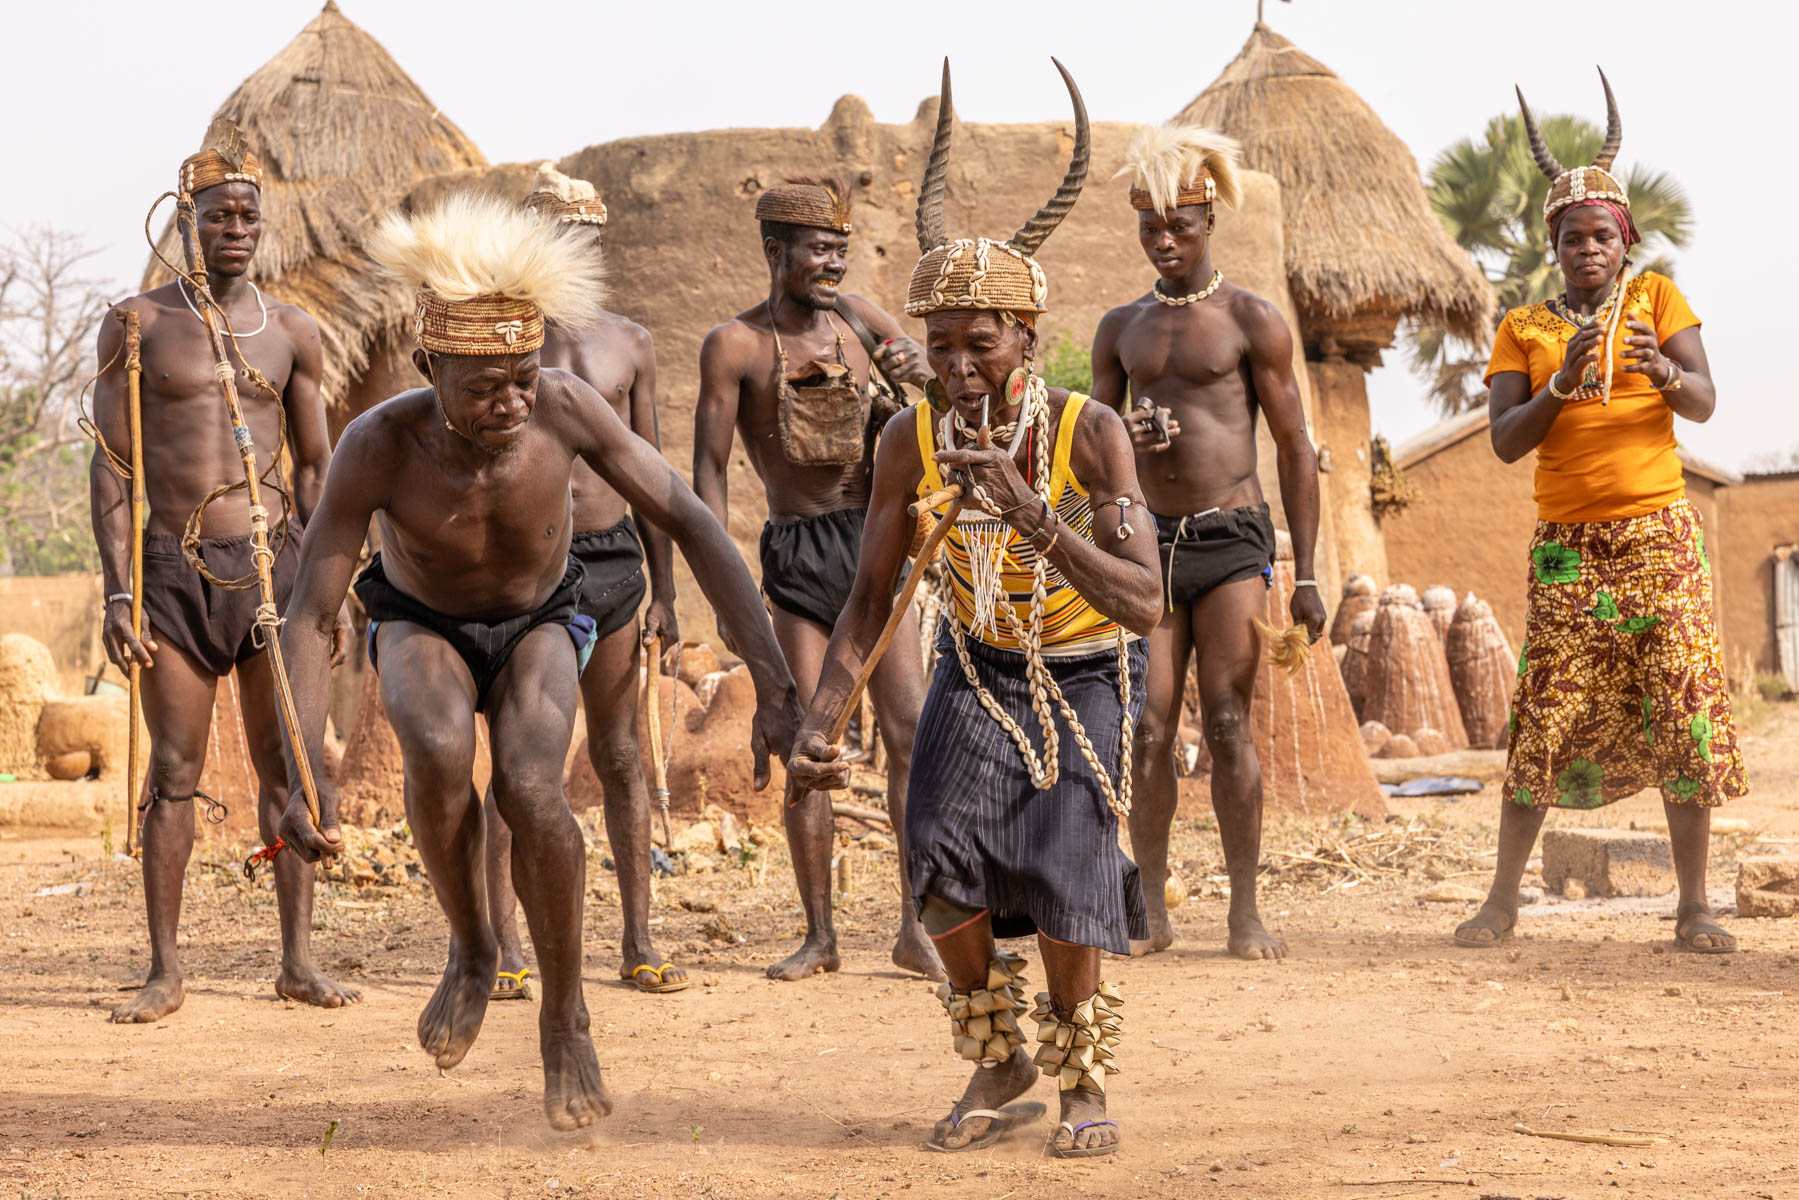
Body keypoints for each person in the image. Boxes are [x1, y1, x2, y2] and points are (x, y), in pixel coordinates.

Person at [275, 194, 801, 1129]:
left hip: (540, 621)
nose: (512, 402)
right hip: (421, 621)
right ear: (429, 368)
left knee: (531, 785)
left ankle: (566, 1015)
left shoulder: (564, 408)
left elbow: (688, 516)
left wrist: (771, 681)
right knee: (436, 751)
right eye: (484, 388)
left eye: (522, 377)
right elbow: (314, 610)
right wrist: (293, 772)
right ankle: (475, 948)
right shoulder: (378, 443)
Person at [787, 60, 1162, 1160]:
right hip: (976, 670)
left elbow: (1143, 601)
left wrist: (1035, 518)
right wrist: (822, 714)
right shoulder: (906, 439)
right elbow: (867, 600)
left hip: (1083, 678)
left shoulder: (1089, 432)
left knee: (1063, 875)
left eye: (977, 342)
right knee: (936, 866)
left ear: (1022, 336)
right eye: (938, 344)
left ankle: (1081, 1074)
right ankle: (995, 1058)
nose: (954, 366)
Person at [1454, 72, 1744, 953]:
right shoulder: (1523, 328)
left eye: (1601, 236)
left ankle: (1692, 905)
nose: (1587, 249)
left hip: (1659, 536)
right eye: (1571, 237)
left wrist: (1659, 373)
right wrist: (1562, 381)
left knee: (1682, 705)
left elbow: (1701, 401)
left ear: (1626, 242)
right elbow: (1505, 440)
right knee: (1545, 708)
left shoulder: (1656, 303)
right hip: (1566, 553)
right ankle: (1502, 898)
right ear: (1553, 246)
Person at [90, 139, 356, 1024]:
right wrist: (118, 591)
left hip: (275, 570)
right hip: (171, 570)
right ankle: (164, 970)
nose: (234, 229)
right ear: (187, 225)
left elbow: (318, 472)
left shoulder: (292, 333)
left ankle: (298, 959)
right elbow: (112, 468)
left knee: (289, 763)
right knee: (174, 768)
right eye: (217, 217)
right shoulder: (136, 325)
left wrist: (334, 585)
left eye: (246, 215)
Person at [695, 175, 942, 981]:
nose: (832, 262)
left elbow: (940, 405)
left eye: (841, 247)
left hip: (877, 546)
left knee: (908, 733)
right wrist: (726, 595)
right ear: (775, 251)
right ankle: (819, 934)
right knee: (812, 739)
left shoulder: (863, 323)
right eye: (817, 249)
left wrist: (921, 372)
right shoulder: (733, 346)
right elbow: (706, 475)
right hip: (799, 555)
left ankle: (915, 925)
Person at [1091, 123, 1324, 960]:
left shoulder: (1250, 320)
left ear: (1207, 223)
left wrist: (1305, 573)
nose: (1162, 240)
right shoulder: (1121, 327)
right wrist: (1127, 435)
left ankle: (1245, 911)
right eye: (1148, 226)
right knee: (1147, 729)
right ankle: (1148, 906)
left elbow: (1295, 448)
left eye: (1177, 226)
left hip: (1232, 538)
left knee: (1227, 721)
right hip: (1148, 547)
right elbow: (1093, 441)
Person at [478, 165, 686, 1000]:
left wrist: (666, 591)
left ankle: (637, 939)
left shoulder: (627, 341)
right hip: (528, 571)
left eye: (588, 239)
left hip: (613, 561)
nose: (577, 252)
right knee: (520, 760)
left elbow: (653, 474)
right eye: (561, 237)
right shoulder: (493, 338)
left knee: (621, 752)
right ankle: (500, 943)